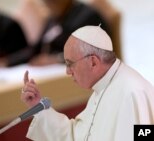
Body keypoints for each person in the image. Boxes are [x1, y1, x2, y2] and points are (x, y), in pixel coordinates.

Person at [21, 25, 154, 141]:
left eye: (70, 64)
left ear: (93, 62)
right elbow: (76, 136)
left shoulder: (132, 93)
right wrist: (38, 107)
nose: (68, 72)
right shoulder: (102, 87)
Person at [24, 0, 110, 66]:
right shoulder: (52, 20)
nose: (48, 3)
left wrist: (58, 59)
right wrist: (12, 61)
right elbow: (35, 50)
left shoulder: (87, 16)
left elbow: (96, 52)